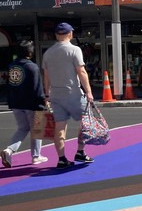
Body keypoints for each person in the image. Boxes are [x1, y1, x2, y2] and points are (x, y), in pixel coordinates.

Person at [42, 22, 95, 169]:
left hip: (56, 95)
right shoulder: (74, 50)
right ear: (70, 34)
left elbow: (46, 77)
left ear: (56, 35)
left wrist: (47, 95)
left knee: (59, 127)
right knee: (84, 122)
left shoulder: (48, 53)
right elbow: (81, 72)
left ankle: (61, 159)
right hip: (74, 93)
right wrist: (89, 92)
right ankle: (80, 151)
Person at [1, 41, 48, 168]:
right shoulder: (32, 67)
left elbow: (9, 85)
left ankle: (9, 150)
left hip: (16, 102)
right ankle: (36, 156)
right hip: (31, 103)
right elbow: (37, 88)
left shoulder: (12, 66)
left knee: (22, 128)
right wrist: (42, 102)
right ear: (30, 52)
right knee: (37, 129)